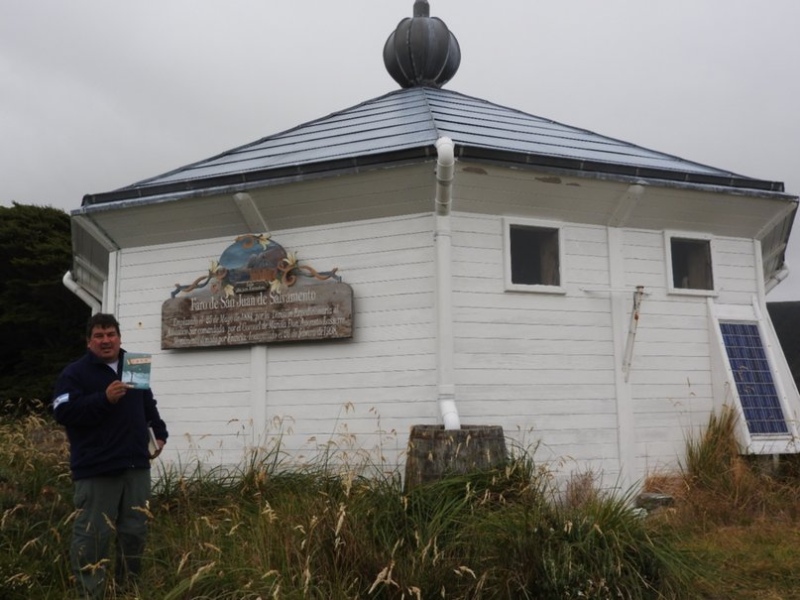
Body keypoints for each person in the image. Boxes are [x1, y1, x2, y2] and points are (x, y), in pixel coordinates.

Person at [53, 313, 168, 599]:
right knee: (93, 537)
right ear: (89, 341)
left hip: (136, 464)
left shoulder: (134, 365)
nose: (106, 340)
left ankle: (127, 590)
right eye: (99, 335)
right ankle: (91, 593)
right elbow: (62, 412)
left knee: (134, 533)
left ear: (119, 337)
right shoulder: (75, 373)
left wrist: (159, 430)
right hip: (96, 468)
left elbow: (147, 404)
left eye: (110, 334)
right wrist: (103, 399)